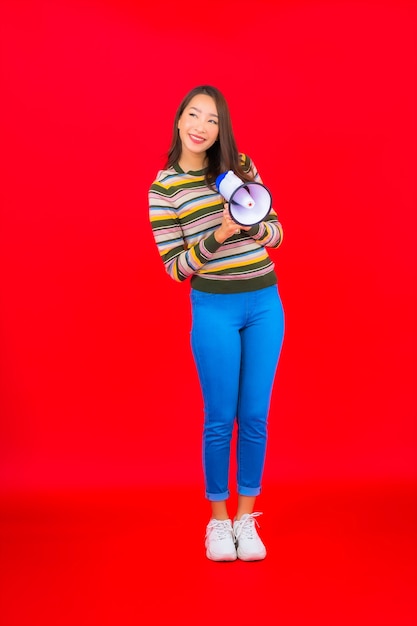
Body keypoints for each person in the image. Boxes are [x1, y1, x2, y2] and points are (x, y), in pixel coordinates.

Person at [148, 85, 285, 561]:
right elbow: (175, 267)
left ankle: (247, 519)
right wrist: (218, 234)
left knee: (254, 417)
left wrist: (251, 226)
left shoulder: (240, 166)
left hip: (265, 304)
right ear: (179, 119)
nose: (200, 126)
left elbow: (278, 231)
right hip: (214, 309)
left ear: (220, 128)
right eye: (193, 114)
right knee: (219, 418)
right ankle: (218, 521)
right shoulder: (163, 188)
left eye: (211, 119)